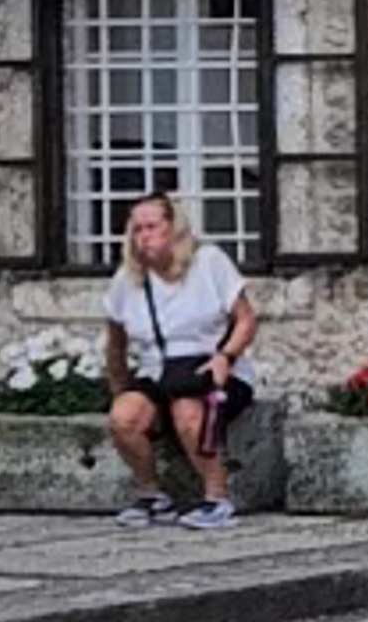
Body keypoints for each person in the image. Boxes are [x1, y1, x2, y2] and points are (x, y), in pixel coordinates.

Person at [103, 192, 258, 535]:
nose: (143, 235)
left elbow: (245, 319)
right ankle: (151, 494)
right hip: (157, 370)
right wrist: (118, 389)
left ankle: (217, 498)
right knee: (123, 417)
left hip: (211, 368)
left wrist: (226, 356)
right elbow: (115, 345)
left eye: (152, 226)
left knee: (188, 410)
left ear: (174, 228)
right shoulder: (126, 281)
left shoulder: (209, 262)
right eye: (137, 228)